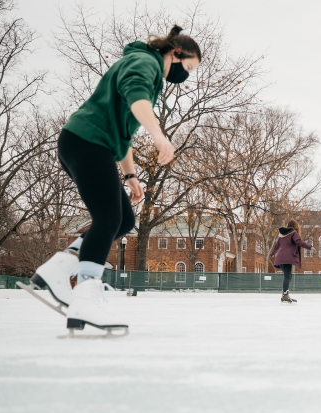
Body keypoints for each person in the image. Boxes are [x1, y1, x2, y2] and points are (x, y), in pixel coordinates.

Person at [29, 25, 201, 325]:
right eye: (186, 67)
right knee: (108, 218)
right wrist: (160, 137)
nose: (184, 77)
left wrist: (131, 175)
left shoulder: (143, 64)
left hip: (89, 144)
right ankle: (85, 293)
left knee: (124, 220)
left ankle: (62, 265)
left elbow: (123, 136)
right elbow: (137, 98)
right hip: (87, 141)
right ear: (175, 52)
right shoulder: (145, 63)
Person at [269, 220, 314, 303]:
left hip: (280, 257)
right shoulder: (293, 233)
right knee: (287, 276)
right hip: (287, 258)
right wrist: (310, 247)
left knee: (288, 276)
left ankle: (285, 294)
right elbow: (299, 242)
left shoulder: (282, 235)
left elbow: (276, 245)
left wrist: (272, 253)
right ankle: (285, 295)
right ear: (295, 226)